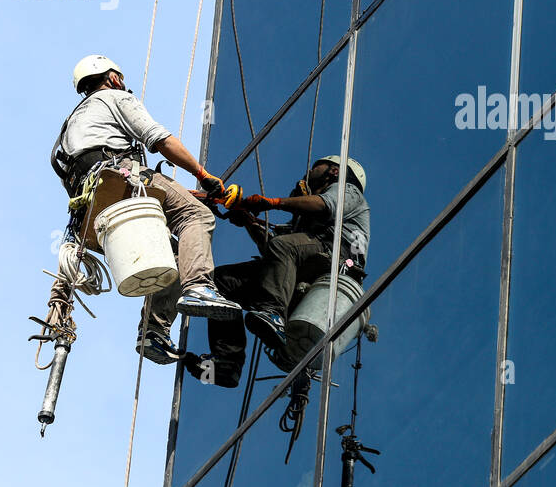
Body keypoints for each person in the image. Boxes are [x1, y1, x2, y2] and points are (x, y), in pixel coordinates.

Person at [51, 54, 243, 363]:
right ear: (111, 78)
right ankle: (199, 287)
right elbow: (160, 139)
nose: (122, 81)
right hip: (118, 174)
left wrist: (189, 193)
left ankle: (153, 335)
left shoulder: (75, 119)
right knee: (196, 215)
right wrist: (203, 176)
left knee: (174, 256)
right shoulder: (116, 98)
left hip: (93, 201)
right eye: (119, 76)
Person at [162, 155, 370, 388]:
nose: (310, 171)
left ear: (334, 171)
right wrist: (248, 221)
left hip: (334, 258)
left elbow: (323, 207)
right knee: (221, 282)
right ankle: (227, 363)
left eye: (316, 166)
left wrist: (271, 202)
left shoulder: (348, 191)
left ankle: (273, 315)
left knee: (283, 246)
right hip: (307, 263)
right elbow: (274, 253)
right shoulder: (302, 228)